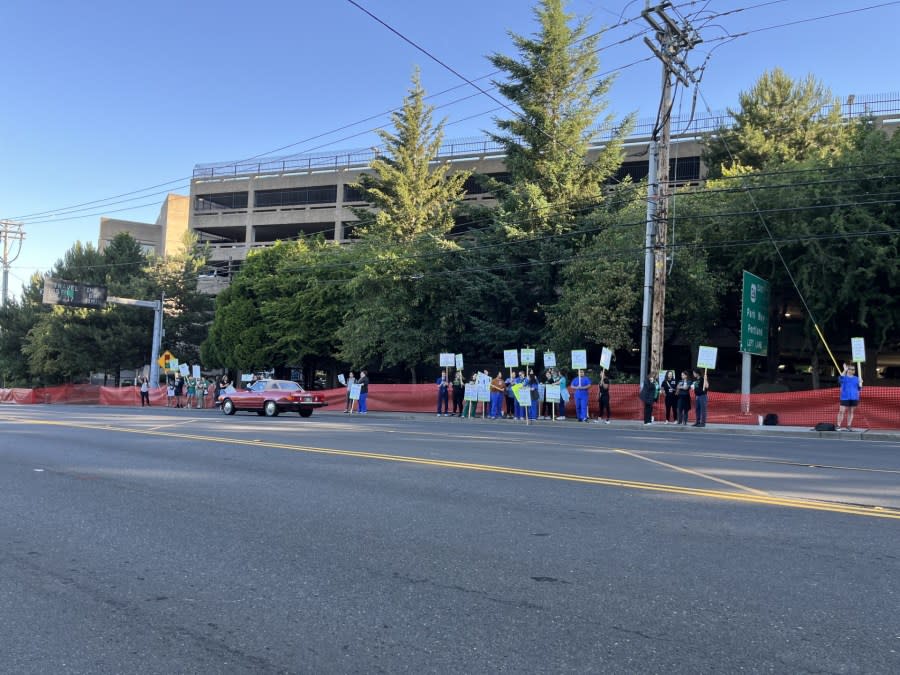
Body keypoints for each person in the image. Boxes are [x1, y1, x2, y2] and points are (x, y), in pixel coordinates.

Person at [836, 362, 862, 431]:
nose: (853, 370)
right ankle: (838, 425)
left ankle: (849, 425)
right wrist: (844, 370)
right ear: (848, 370)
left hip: (854, 397)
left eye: (854, 369)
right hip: (845, 397)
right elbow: (840, 378)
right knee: (841, 411)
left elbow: (859, 389)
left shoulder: (857, 378)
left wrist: (861, 383)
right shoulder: (844, 377)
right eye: (851, 369)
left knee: (851, 412)